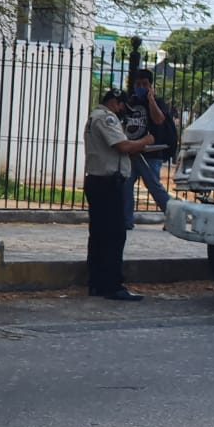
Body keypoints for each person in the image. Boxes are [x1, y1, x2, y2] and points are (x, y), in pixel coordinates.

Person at [84, 88, 153, 301]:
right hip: (107, 184)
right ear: (114, 102)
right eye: (122, 105)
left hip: (99, 181)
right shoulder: (106, 119)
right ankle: (112, 285)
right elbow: (122, 146)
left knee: (99, 234)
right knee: (114, 235)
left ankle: (97, 283)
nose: (123, 110)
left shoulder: (94, 117)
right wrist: (146, 141)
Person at [121, 69, 176, 229]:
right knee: (126, 185)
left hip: (151, 153)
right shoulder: (130, 103)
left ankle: (173, 215)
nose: (141, 87)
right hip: (132, 152)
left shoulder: (158, 102)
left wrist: (151, 99)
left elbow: (159, 120)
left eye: (144, 84)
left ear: (150, 86)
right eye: (138, 84)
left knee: (154, 187)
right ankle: (126, 221)